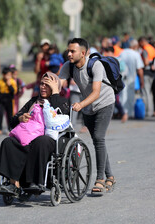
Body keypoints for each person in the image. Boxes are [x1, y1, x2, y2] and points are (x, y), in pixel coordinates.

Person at [0, 72, 69, 195]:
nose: (43, 87)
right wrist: (20, 118)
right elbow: (13, 121)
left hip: (48, 139)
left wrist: (55, 93)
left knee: (41, 141)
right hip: (28, 136)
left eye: (47, 85)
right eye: (42, 84)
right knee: (8, 142)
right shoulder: (34, 101)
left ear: (55, 86)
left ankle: (34, 182)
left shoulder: (61, 101)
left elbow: (62, 115)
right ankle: (13, 184)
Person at [59, 38, 116, 195]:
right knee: (98, 141)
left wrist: (81, 105)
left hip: (104, 102)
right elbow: (59, 84)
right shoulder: (68, 66)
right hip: (88, 107)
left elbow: (96, 92)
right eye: (68, 51)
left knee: (98, 138)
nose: (69, 54)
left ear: (83, 53)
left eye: (73, 51)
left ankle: (100, 180)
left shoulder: (95, 65)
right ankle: (110, 176)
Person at [120, 39, 144, 118]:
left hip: (122, 77)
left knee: (122, 95)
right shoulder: (136, 54)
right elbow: (140, 69)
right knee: (130, 96)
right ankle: (129, 113)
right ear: (135, 46)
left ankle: (122, 112)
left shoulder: (122, 52)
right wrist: (141, 80)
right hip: (131, 78)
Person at [0, 67, 17, 136]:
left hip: (9, 100)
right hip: (1, 101)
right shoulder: (0, 82)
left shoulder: (12, 81)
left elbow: (14, 91)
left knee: (10, 115)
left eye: (10, 75)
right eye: (7, 75)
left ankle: (10, 129)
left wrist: (9, 85)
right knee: (0, 114)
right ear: (3, 75)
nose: (8, 77)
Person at [138, 36, 155, 117]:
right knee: (150, 92)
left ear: (142, 42)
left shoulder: (145, 50)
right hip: (153, 72)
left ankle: (147, 111)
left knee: (145, 92)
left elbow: (146, 62)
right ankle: (151, 110)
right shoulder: (152, 48)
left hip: (146, 72)